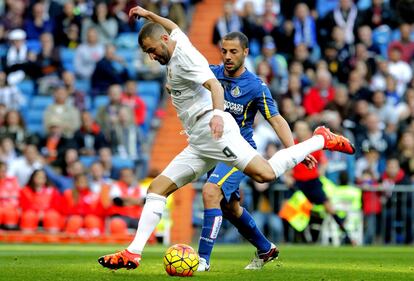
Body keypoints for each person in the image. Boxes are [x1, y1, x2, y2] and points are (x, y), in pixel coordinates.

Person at [98, 5, 355, 270]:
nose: (151, 56)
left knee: (258, 177)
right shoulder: (175, 40)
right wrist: (150, 15)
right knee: (157, 189)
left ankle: (320, 139)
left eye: (152, 50)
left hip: (219, 134)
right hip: (199, 140)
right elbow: (173, 27)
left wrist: (218, 115)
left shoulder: (194, 62)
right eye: (147, 52)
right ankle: (133, 253)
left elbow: (215, 86)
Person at [197, 31, 299, 271]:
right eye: (224, 51)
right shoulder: (212, 74)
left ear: (245, 52)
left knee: (211, 192)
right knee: (230, 208)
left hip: (238, 152)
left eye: (233, 51)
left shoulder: (255, 86)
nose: (228, 57)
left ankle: (202, 260)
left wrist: (295, 152)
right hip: (215, 151)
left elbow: (276, 119)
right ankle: (266, 249)